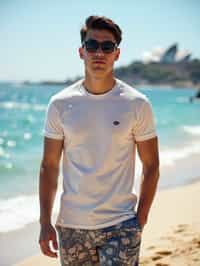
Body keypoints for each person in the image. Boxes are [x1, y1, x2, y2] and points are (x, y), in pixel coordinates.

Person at [39, 15, 160, 266]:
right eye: (92, 45)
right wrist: (44, 222)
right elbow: (49, 166)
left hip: (121, 224)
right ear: (81, 51)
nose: (99, 53)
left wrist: (141, 219)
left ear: (117, 54)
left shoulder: (137, 104)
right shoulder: (60, 104)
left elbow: (151, 165)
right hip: (71, 227)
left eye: (107, 47)